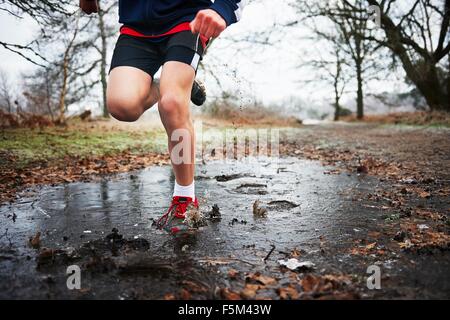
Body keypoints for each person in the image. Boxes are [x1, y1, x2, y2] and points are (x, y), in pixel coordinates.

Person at [80, 0, 245, 235]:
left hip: (187, 21)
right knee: (121, 106)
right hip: (136, 28)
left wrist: (223, 9)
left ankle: (185, 198)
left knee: (172, 103)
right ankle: (163, 86)